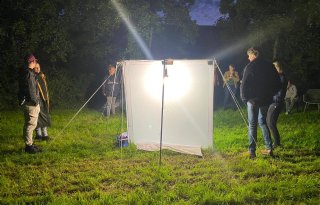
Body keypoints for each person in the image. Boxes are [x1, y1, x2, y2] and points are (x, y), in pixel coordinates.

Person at [240, 47, 281, 159]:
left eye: (249, 56)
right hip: (266, 100)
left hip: (252, 100)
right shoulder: (269, 65)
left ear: (253, 55)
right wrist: (270, 93)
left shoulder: (250, 66)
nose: (248, 58)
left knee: (253, 125)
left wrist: (244, 98)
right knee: (262, 122)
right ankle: (269, 148)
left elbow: (244, 84)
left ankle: (252, 151)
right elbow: (278, 83)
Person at [18, 54, 41, 153]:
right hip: (31, 103)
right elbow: (31, 89)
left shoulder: (27, 72)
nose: (36, 63)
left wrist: (36, 73)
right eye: (35, 61)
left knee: (29, 124)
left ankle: (30, 143)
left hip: (29, 102)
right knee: (30, 125)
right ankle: (28, 146)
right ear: (32, 62)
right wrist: (35, 101)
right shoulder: (28, 73)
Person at [266, 61, 288, 149]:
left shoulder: (281, 77)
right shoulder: (279, 76)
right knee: (269, 122)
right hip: (275, 101)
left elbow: (276, 89)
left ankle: (277, 143)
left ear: (276, 67)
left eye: (273, 67)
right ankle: (276, 142)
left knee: (270, 123)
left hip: (276, 102)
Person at [34, 63, 51, 140]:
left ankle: (45, 135)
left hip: (44, 100)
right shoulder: (33, 76)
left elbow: (45, 89)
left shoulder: (41, 76)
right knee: (37, 117)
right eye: (36, 68)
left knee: (44, 116)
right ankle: (38, 135)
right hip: (37, 100)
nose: (37, 69)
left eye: (38, 67)